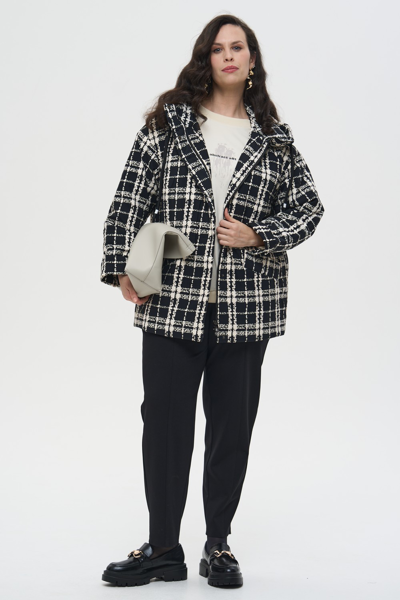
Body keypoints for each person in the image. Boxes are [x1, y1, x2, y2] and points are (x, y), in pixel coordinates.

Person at [100, 14, 325, 588]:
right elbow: (129, 197)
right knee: (164, 426)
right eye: (218, 48)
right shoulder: (169, 124)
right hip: (173, 298)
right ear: (206, 58)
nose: (228, 55)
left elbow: (309, 209)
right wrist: (120, 265)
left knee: (231, 430)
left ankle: (218, 544)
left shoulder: (276, 139)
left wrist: (259, 234)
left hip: (248, 307)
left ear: (252, 62)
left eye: (238, 47)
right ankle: (162, 548)